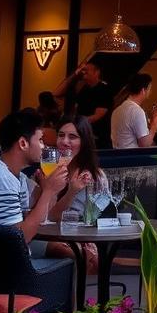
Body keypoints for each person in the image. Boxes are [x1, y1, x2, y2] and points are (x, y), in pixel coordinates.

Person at [0, 108, 68, 243]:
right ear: (23, 143)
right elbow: (19, 239)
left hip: (6, 251)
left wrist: (47, 188)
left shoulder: (17, 176)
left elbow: (34, 218)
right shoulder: (0, 178)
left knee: (72, 250)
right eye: (40, 140)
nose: (44, 146)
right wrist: (48, 191)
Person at [46, 116, 110, 272]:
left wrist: (88, 241)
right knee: (73, 253)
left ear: (84, 142)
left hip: (82, 235)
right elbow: (51, 217)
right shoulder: (48, 168)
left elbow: (101, 217)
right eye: (61, 135)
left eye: (72, 137)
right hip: (52, 237)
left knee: (91, 255)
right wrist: (72, 190)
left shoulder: (96, 176)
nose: (65, 141)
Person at [55, 60, 113, 148]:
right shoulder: (83, 88)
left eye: (87, 70)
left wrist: (75, 124)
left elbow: (97, 116)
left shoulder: (104, 89)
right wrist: (75, 73)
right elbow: (57, 93)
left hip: (97, 138)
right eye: (83, 70)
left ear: (96, 72)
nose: (84, 72)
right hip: (81, 135)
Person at [110, 74, 157, 149]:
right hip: (132, 158)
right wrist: (155, 123)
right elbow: (145, 144)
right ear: (143, 90)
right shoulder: (137, 111)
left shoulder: (117, 110)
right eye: (149, 89)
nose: (150, 92)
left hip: (119, 156)